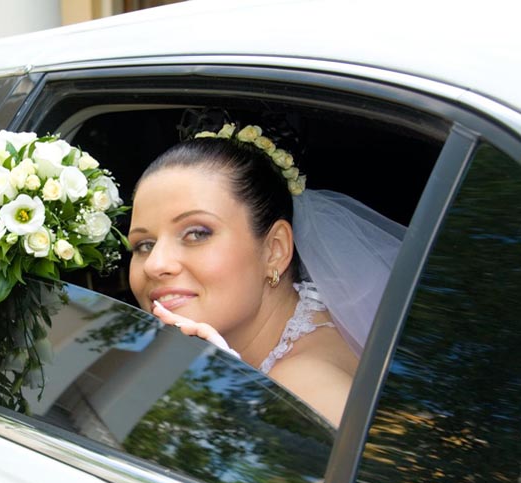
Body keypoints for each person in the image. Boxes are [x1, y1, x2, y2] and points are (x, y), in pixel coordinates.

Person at [127, 123, 404, 427]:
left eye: (196, 233)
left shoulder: (301, 395)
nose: (155, 264)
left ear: (275, 250)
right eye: (144, 244)